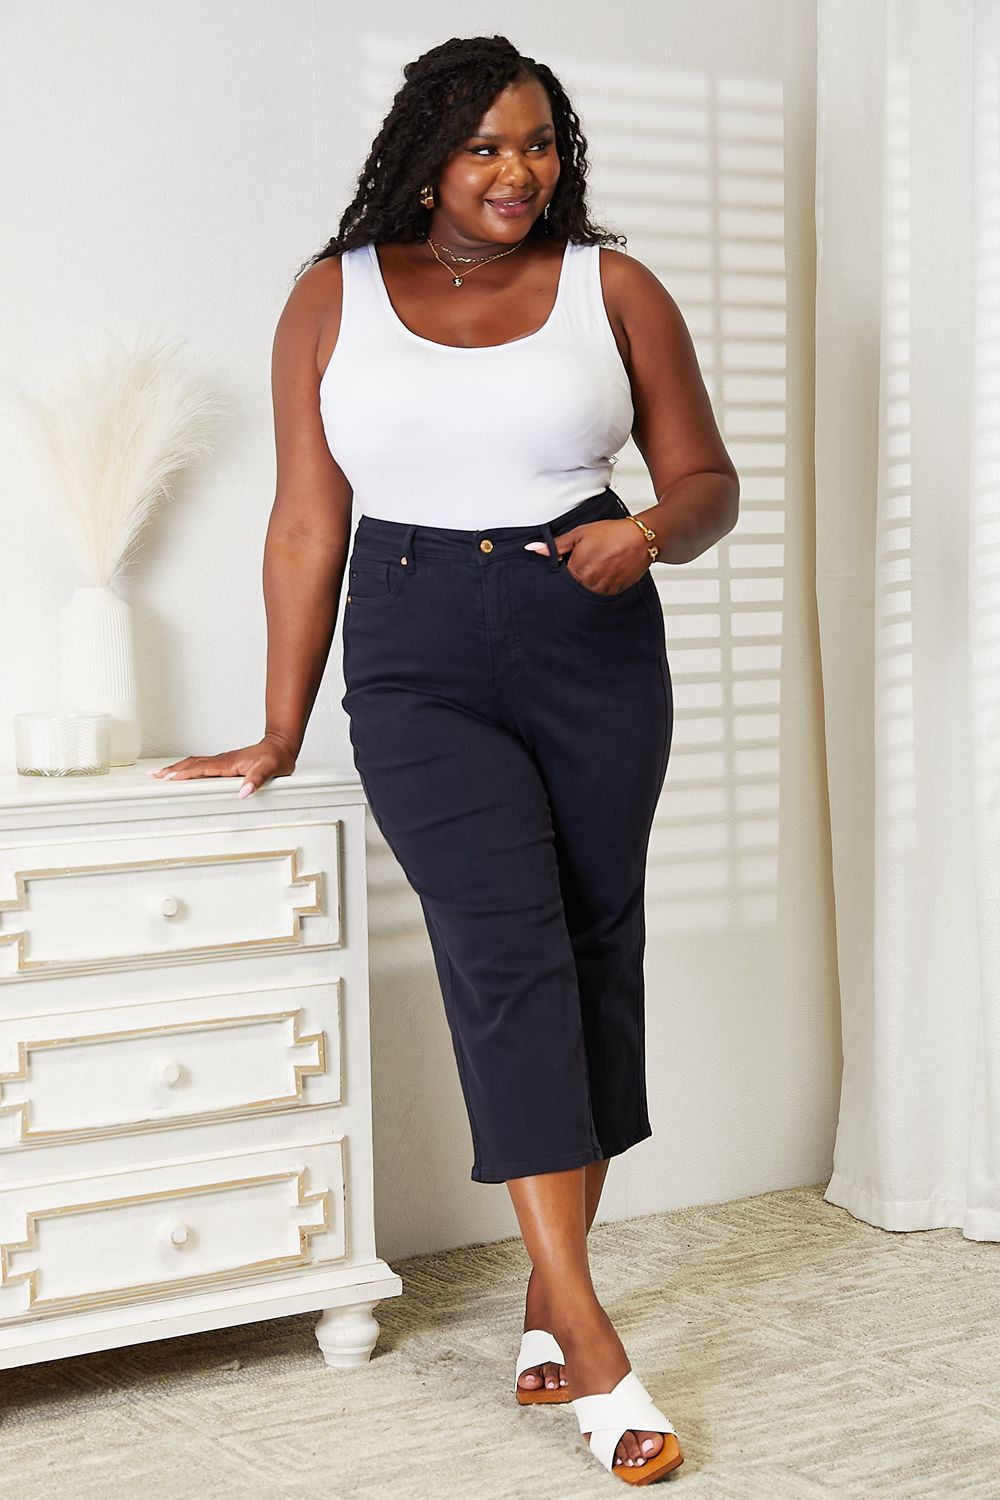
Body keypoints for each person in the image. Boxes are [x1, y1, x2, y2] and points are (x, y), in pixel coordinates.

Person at [151, 33, 738, 1486]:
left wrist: (647, 532)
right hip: (412, 652)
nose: (516, 172)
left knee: (596, 945)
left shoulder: (617, 287)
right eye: (485, 147)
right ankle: (592, 1347)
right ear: (426, 152)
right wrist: (283, 727)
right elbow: (305, 523)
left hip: (590, 633)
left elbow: (708, 481)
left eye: (537, 144)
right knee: (505, 956)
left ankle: (549, 1294)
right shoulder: (329, 300)